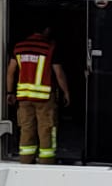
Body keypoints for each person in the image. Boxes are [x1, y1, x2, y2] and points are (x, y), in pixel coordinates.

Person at [7, 24, 71, 163]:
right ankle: (46, 163)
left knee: (26, 128)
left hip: (24, 97)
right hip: (44, 98)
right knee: (46, 129)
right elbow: (59, 73)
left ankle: (25, 161)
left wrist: (9, 92)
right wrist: (66, 92)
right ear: (47, 29)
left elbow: (11, 71)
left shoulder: (19, 47)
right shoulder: (50, 48)